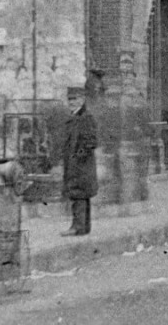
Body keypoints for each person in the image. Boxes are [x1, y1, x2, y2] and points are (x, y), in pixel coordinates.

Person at [61, 86, 98, 237]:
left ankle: (78, 227)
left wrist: (78, 157)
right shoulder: (75, 117)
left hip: (81, 165)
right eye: (69, 99)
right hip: (77, 164)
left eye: (74, 99)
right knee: (81, 195)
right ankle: (83, 227)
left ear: (82, 100)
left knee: (79, 195)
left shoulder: (85, 118)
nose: (71, 102)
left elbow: (91, 142)